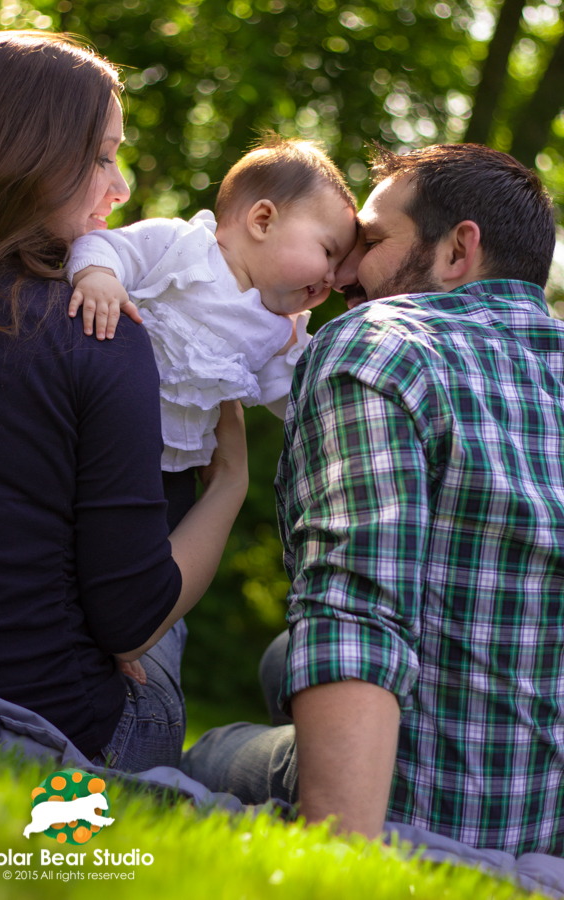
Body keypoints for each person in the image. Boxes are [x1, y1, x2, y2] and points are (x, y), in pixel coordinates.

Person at [182, 143, 564, 858]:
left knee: (211, 752)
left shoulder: (382, 344)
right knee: (281, 659)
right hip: (544, 821)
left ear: (458, 250)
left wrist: (343, 859)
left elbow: (358, 612)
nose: (344, 274)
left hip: (424, 822)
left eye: (372, 242)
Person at [0, 31, 247, 772]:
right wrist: (228, 487)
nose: (119, 189)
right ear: (26, 152)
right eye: (101, 156)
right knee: (158, 633)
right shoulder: (99, 334)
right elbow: (129, 624)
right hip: (59, 725)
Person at [65, 138, 357, 471]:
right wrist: (98, 277)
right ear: (262, 220)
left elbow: (299, 399)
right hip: (89, 419)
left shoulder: (277, 332)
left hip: (167, 467)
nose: (333, 279)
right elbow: (106, 245)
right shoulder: (182, 246)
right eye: (328, 252)